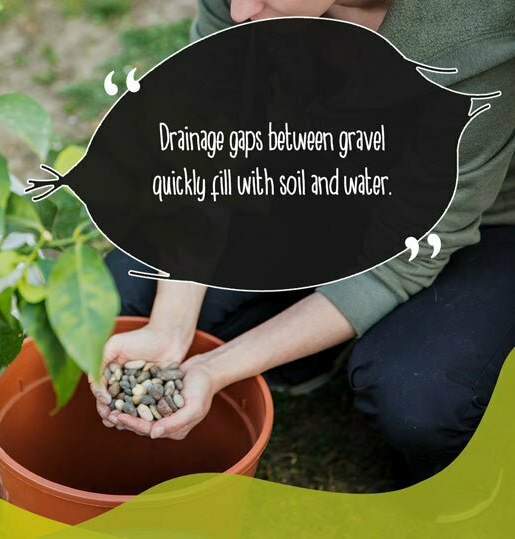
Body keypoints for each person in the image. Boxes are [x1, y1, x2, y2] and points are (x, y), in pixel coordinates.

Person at [91, 0, 515, 485]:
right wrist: (171, 329)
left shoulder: (480, 23)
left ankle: (463, 483)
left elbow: (402, 261)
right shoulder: (245, 2)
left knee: (420, 398)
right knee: (126, 295)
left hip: (486, 223)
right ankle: (313, 348)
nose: (240, 10)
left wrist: (218, 365)